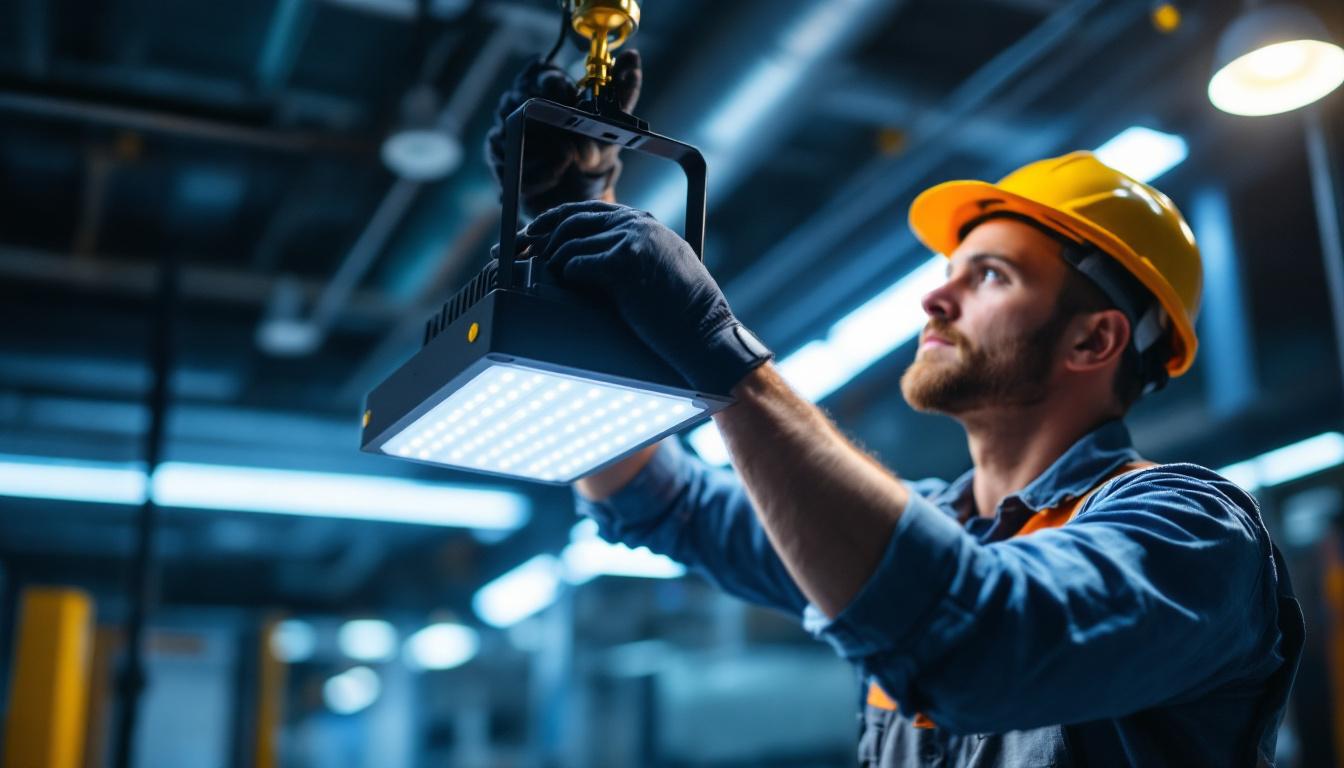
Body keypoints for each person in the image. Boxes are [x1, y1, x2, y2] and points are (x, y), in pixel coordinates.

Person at [486, 56, 1303, 767]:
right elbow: (657, 498)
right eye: (952, 268)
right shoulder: (923, 527)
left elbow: (979, 639)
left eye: (989, 276)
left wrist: (719, 352)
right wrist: (567, 244)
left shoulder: (1194, 534)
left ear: (1094, 340)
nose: (935, 294)